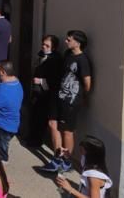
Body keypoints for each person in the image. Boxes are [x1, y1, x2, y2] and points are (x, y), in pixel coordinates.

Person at [42, 29, 92, 173]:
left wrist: (81, 96)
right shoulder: (68, 55)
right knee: (52, 124)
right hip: (58, 96)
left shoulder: (83, 60)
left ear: (78, 43)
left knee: (67, 132)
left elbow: (87, 83)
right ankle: (57, 157)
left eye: (69, 40)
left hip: (71, 101)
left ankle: (66, 161)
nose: (66, 41)